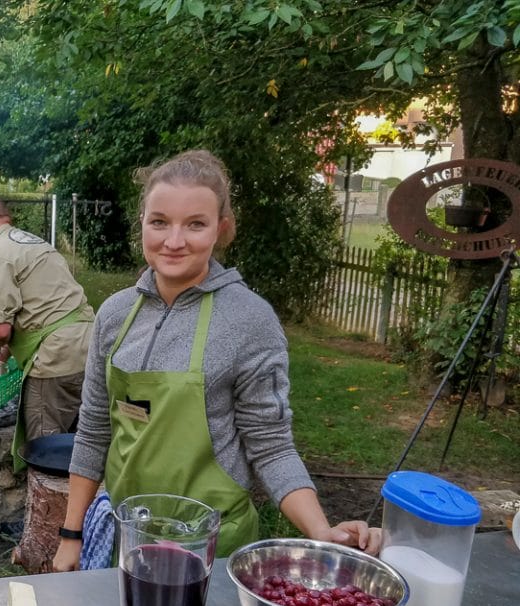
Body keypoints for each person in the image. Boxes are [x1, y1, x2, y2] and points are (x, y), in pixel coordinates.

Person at [53, 150, 381, 572]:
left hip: (212, 549)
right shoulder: (114, 315)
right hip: (129, 539)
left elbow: (272, 445)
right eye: (159, 222)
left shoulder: (249, 321)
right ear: (142, 225)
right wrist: (71, 534)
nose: (173, 241)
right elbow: (95, 428)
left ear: (221, 229)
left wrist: (321, 531)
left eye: (195, 224)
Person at [0, 195, 94, 470]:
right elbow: (36, 311)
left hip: (55, 359)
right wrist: (0, 361)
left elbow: (0, 330)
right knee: (84, 446)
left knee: (46, 453)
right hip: (88, 348)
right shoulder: (31, 243)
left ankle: (51, 511)